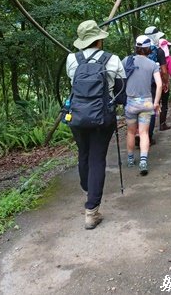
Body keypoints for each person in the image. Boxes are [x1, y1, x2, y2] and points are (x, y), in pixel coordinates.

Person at [66, 20, 125, 230]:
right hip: (102, 117)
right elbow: (120, 93)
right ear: (99, 40)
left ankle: (87, 186)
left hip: (77, 117)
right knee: (97, 158)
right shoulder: (113, 59)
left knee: (83, 152)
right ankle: (91, 212)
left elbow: (73, 86)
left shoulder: (72, 59)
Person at [122, 35, 162, 176]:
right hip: (146, 102)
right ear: (148, 48)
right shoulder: (153, 64)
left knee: (131, 132)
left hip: (131, 102)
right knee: (144, 133)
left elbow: (119, 79)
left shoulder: (127, 60)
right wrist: (156, 102)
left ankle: (131, 159)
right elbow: (159, 84)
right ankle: (143, 161)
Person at [144, 26, 169, 143]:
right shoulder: (159, 51)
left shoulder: (140, 50)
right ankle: (148, 136)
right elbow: (164, 71)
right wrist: (165, 82)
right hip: (154, 84)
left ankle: (140, 134)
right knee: (153, 108)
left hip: (140, 83)